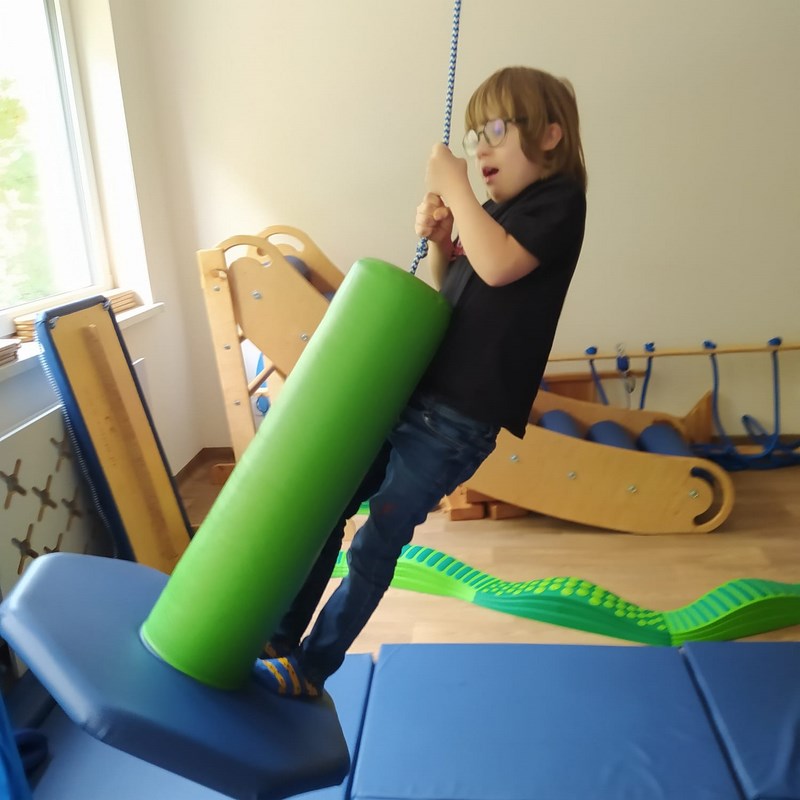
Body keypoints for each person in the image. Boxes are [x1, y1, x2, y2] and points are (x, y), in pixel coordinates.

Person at [254, 65, 587, 698]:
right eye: (474, 135)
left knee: (378, 540)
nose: (480, 148)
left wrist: (455, 191)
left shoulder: (559, 202)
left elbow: (499, 268)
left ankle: (310, 668)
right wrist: (441, 242)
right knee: (330, 503)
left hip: (458, 420)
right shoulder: (497, 213)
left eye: (496, 130)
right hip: (416, 397)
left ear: (549, 136)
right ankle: (280, 635)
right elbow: (457, 287)